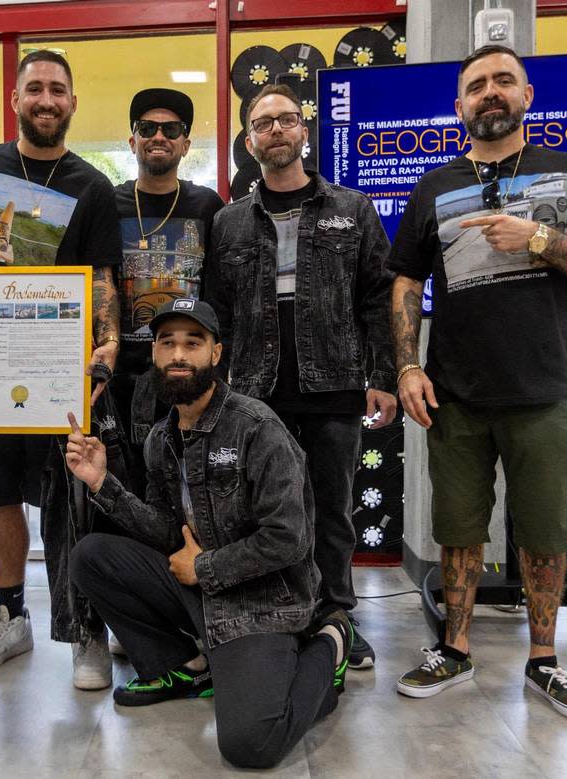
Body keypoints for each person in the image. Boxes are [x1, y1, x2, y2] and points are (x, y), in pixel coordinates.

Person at [388, 45, 567, 722]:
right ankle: (455, 649)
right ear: (459, 106)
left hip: (544, 388)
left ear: (527, 94)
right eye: (475, 86)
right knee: (458, 529)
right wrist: (406, 364)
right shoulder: (433, 186)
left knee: (546, 530)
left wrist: (541, 240)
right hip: (456, 392)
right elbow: (405, 279)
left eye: (502, 81)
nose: (489, 93)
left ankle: (546, 660)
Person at [65, 298, 351, 770]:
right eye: (167, 343)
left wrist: (203, 568)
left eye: (192, 343)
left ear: (215, 355)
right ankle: (184, 666)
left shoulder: (258, 428)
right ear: (154, 354)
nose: (179, 355)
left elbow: (289, 538)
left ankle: (329, 641)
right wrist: (101, 481)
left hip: (261, 603)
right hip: (200, 591)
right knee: (91, 556)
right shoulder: (161, 439)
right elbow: (164, 530)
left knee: (250, 745)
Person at [0, 50, 123, 688]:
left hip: (59, 370)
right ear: (16, 100)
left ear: (73, 103)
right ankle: (11, 617)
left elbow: (102, 277)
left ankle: (83, 632)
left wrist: (108, 342)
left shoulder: (92, 185)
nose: (46, 100)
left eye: (58, 90)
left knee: (71, 499)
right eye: (35, 89)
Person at [205, 83, 397, 670]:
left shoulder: (353, 210)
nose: (277, 130)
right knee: (267, 514)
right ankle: (279, 617)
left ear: (304, 131)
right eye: (264, 124)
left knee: (333, 510)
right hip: (254, 394)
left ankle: (336, 616)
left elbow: (378, 301)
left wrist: (384, 375)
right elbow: (219, 314)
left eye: (287, 119)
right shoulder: (228, 223)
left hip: (334, 386)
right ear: (249, 142)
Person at [110, 88, 224, 496]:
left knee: (189, 488)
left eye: (171, 129)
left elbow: (220, 290)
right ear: (132, 140)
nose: (159, 136)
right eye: (147, 128)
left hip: (188, 377)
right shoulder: (109, 203)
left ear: (185, 143)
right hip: (121, 378)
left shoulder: (208, 205)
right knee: (127, 486)